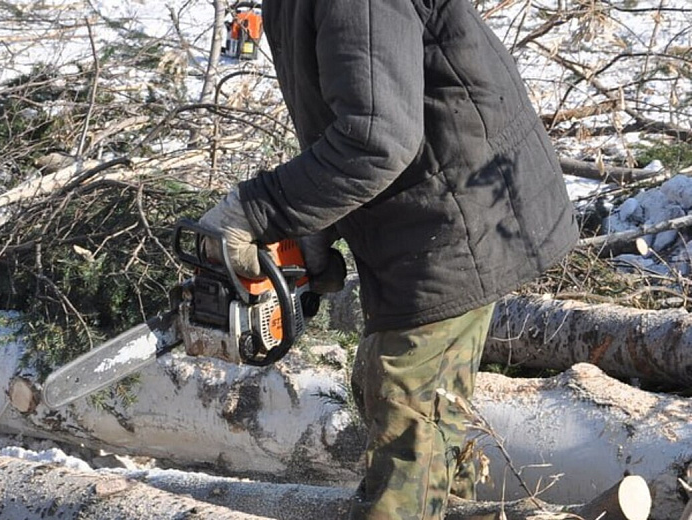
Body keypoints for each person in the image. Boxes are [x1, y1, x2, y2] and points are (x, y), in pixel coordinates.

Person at [199, 0, 579, 518]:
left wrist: (261, 208)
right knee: (413, 406)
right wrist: (314, 218)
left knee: (406, 404)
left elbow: (378, 139)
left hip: (457, 214)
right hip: (431, 204)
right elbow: (364, 105)